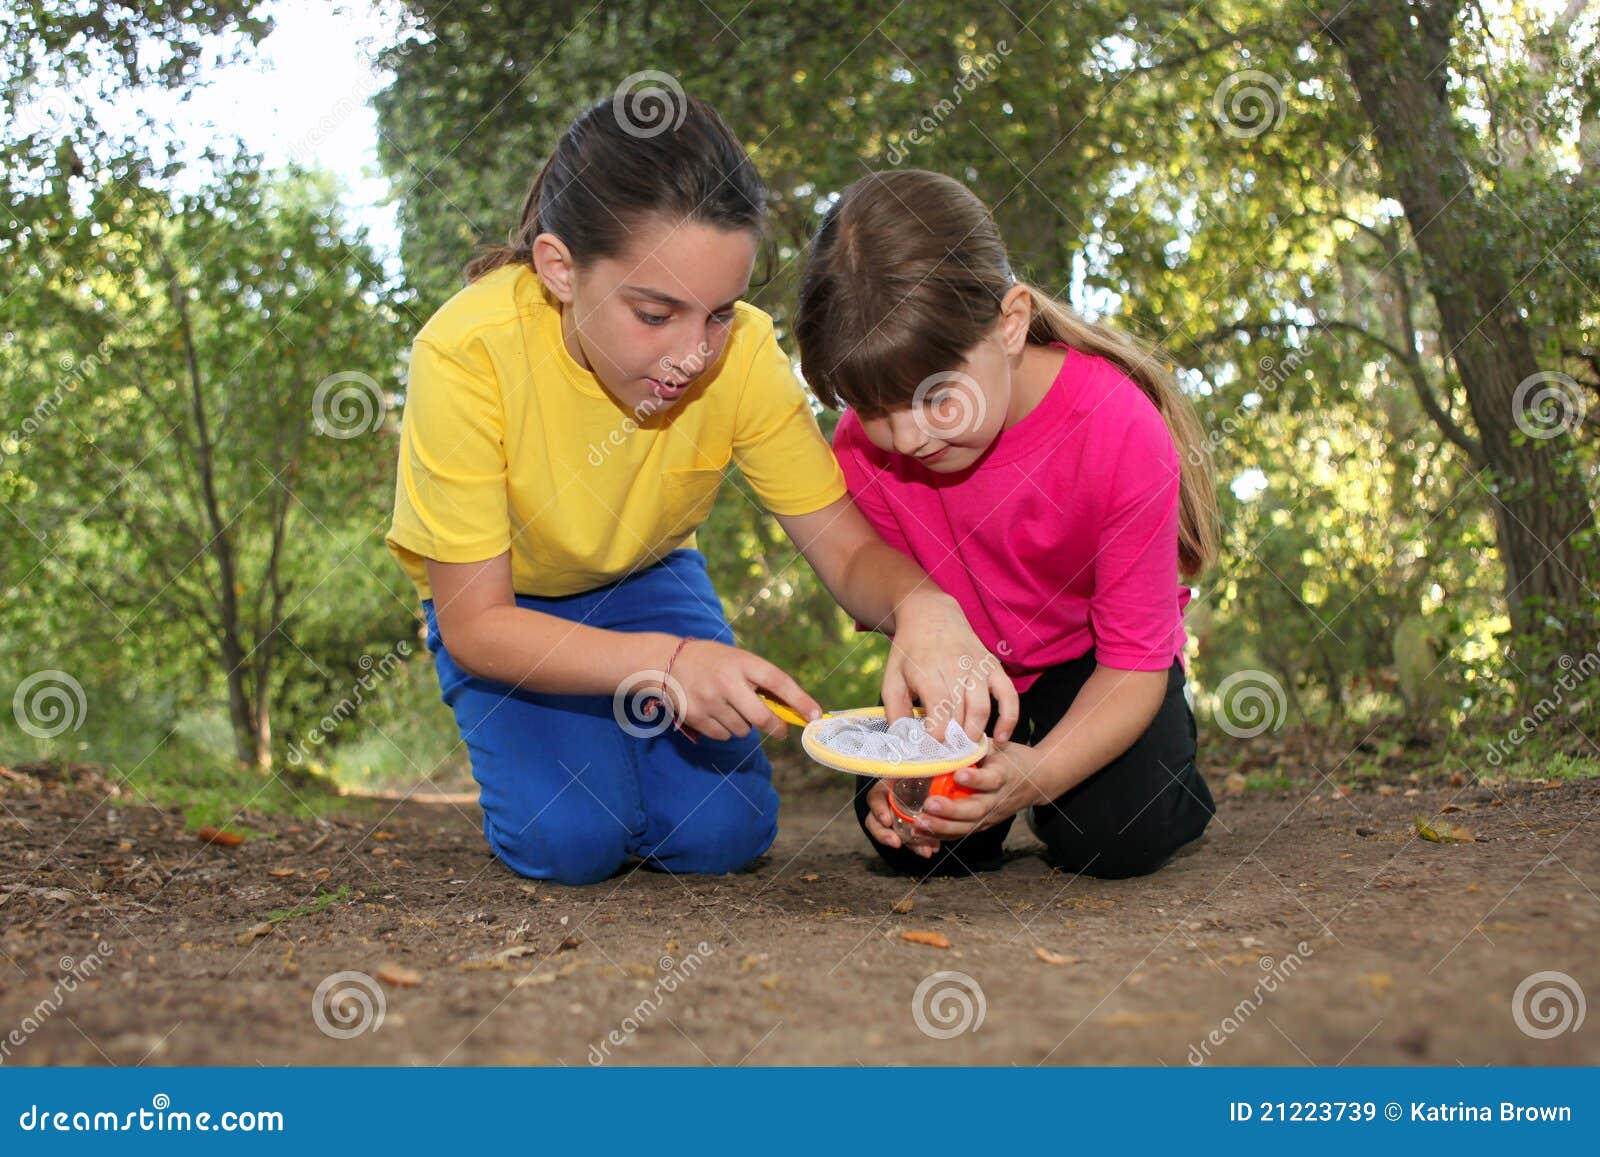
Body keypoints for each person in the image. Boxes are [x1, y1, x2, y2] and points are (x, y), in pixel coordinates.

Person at [385, 97, 1015, 885]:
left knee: (723, 836)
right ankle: (585, 772)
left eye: (719, 312)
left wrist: (926, 606)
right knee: (571, 841)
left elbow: (847, 548)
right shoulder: (464, 354)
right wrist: (667, 662)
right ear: (558, 268)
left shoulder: (745, 357)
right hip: (513, 609)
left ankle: (632, 770)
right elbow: (477, 624)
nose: (693, 352)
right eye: (656, 313)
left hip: (649, 582)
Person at [794, 168, 1220, 878]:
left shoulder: (1115, 426)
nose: (904, 439)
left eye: (933, 399)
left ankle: (1162, 778)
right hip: (957, 673)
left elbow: (1132, 665)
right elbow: (882, 586)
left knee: (1119, 833)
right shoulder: (866, 445)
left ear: (1010, 323)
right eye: (872, 408)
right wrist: (903, 787)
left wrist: (1036, 773)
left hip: (1095, 670)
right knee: (921, 844)